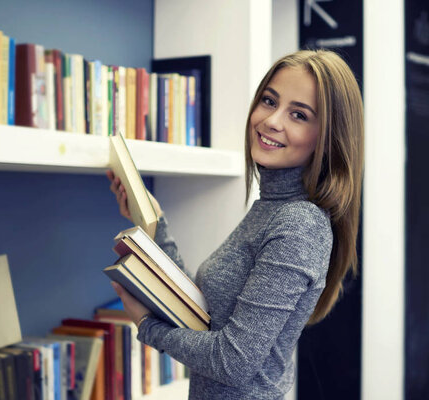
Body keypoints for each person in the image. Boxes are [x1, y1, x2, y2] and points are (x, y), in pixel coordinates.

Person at [106, 49, 364, 400]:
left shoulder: (299, 224)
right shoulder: (271, 208)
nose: (273, 121)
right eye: (269, 101)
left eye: (299, 115)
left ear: (327, 137)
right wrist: (155, 221)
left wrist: (149, 328)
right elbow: (202, 316)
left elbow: (233, 362)